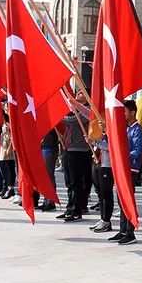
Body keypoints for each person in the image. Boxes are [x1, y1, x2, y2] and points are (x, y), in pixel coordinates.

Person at [106, 100, 142, 246]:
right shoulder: (127, 128)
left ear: (132, 112)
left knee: (127, 201)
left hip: (131, 170)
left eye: (125, 111)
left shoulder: (136, 130)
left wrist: (124, 154)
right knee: (121, 201)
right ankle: (123, 230)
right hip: (123, 168)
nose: (122, 114)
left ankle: (130, 232)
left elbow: (138, 151)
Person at [58, 90, 91, 222]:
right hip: (68, 149)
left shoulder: (87, 111)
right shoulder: (74, 110)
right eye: (77, 93)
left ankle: (78, 209)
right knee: (69, 182)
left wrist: (58, 116)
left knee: (76, 182)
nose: (77, 95)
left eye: (81, 93)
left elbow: (73, 121)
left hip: (79, 150)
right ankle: (70, 207)